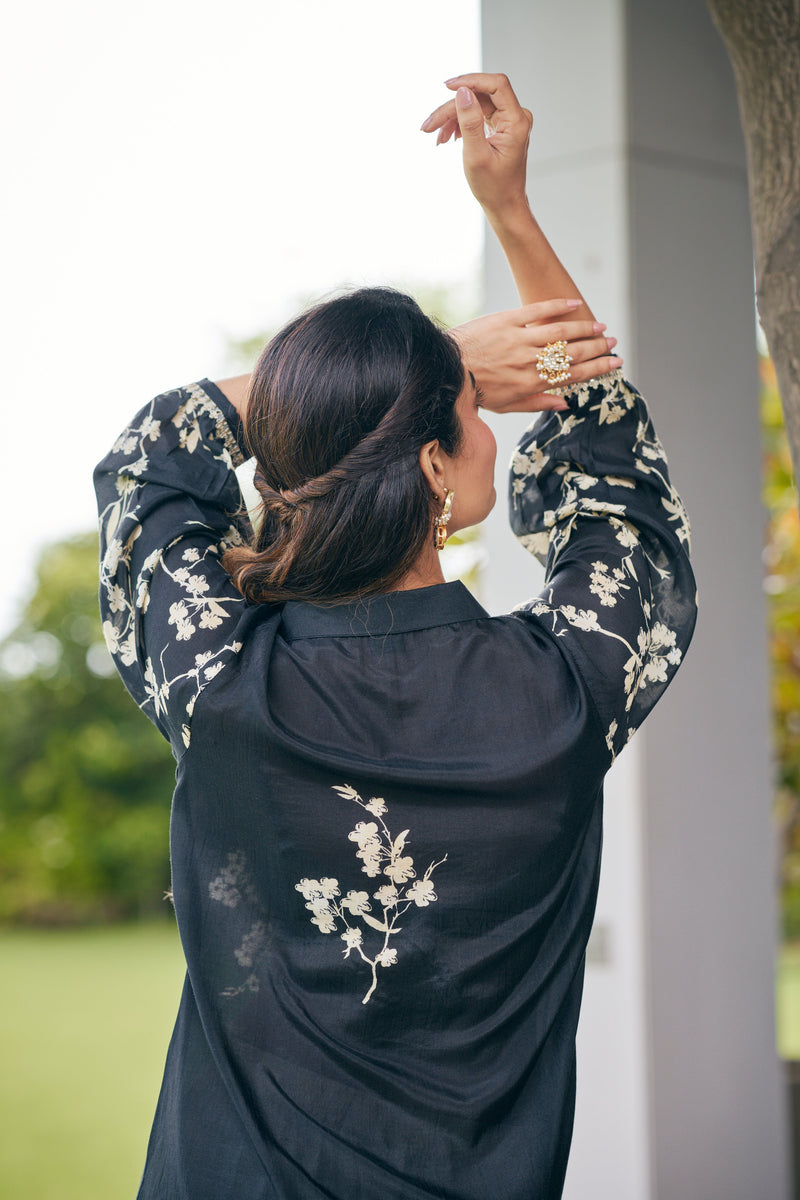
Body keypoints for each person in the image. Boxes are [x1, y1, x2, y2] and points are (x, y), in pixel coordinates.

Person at [95, 72, 696, 1200]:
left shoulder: (219, 683)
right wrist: (509, 219)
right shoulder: (563, 691)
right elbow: (614, 483)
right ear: (433, 466)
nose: (486, 428)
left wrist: (423, 367)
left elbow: (158, 449)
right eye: (468, 412)